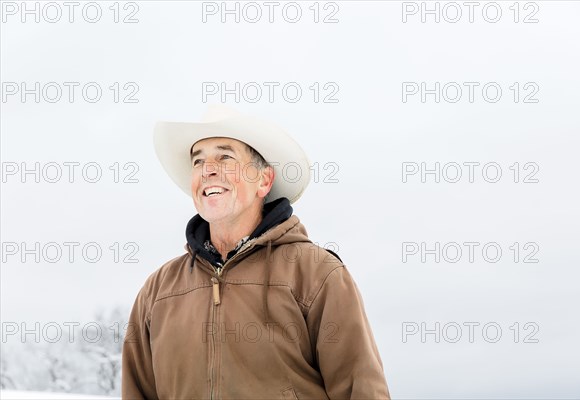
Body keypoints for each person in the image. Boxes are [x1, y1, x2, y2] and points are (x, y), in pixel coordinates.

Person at [121, 105, 390, 399]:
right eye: (198, 161)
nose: (208, 169)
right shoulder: (158, 291)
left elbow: (361, 391)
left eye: (225, 157)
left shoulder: (317, 274)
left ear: (264, 181)